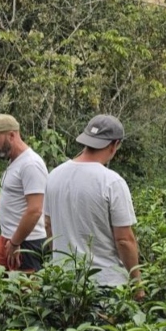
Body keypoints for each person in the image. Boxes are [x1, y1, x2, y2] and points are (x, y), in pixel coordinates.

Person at [44, 115, 142, 297]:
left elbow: (48, 226)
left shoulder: (54, 176)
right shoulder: (112, 182)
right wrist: (138, 284)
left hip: (64, 283)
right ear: (115, 145)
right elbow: (124, 240)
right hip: (106, 284)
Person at [0, 114, 48, 272]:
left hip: (25, 243)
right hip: (7, 238)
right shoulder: (15, 161)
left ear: (11, 135)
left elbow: (35, 210)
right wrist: (0, 203)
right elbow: (22, 201)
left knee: (24, 293)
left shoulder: (31, 164)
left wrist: (15, 243)